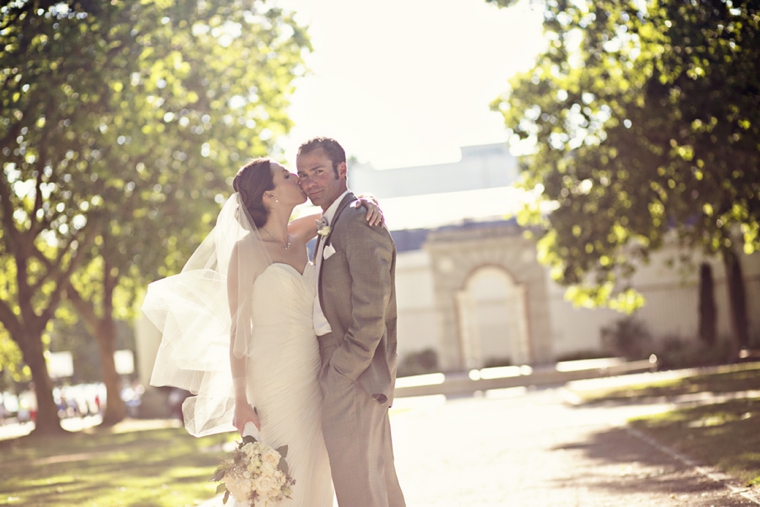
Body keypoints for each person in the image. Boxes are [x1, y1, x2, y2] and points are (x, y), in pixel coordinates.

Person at [143, 157, 383, 507]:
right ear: (270, 195)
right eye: (287, 176)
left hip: (314, 373)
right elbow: (237, 333)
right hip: (273, 377)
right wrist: (241, 401)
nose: (298, 178)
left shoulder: (302, 233)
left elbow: (347, 208)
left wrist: (370, 200)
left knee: (316, 468)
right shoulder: (246, 251)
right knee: (285, 472)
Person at [296, 137, 406, 507]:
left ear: (342, 171)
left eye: (318, 172)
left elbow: (374, 303)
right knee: (372, 480)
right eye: (302, 175)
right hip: (343, 368)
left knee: (359, 483)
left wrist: (344, 369)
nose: (309, 182)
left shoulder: (357, 220)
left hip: (352, 372)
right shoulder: (337, 219)